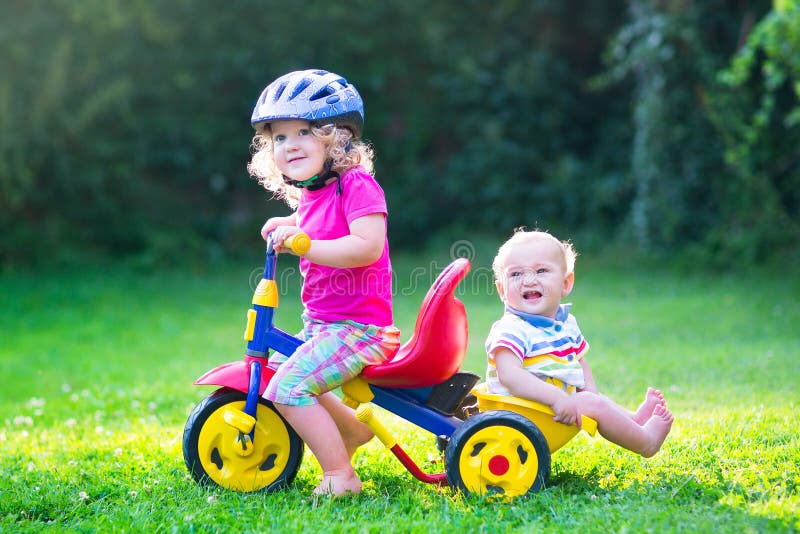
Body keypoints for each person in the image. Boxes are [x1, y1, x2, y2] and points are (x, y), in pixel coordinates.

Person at [247, 69, 400, 496]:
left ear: (337, 139)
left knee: (288, 388)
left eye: (304, 132)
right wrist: (290, 223)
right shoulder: (313, 194)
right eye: (279, 137)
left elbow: (366, 246)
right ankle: (350, 432)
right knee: (282, 373)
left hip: (359, 330)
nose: (290, 144)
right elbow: (315, 225)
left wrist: (304, 242)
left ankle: (341, 475)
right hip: (324, 326)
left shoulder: (357, 185)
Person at [485, 229, 673, 458]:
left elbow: (579, 361)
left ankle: (633, 420)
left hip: (552, 407)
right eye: (515, 274)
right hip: (522, 412)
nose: (529, 280)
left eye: (541, 270)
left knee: (594, 400)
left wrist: (590, 393)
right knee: (592, 403)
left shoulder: (566, 324)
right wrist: (558, 398)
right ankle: (647, 443)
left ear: (565, 283)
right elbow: (510, 375)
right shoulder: (511, 328)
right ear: (502, 290)